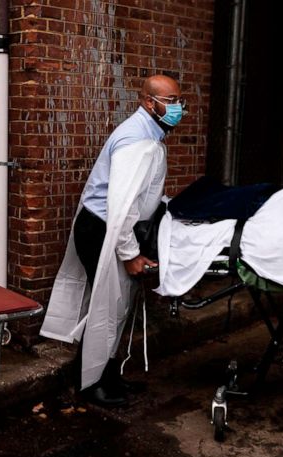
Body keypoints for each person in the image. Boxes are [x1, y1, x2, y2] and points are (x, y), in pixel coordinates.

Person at [40, 74, 185, 407]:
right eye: (172, 101)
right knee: (106, 307)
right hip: (105, 229)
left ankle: (105, 375)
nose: (179, 108)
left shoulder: (148, 134)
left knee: (115, 308)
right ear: (150, 103)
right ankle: (91, 385)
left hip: (107, 227)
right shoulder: (138, 141)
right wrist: (130, 254)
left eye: (179, 101)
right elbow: (121, 207)